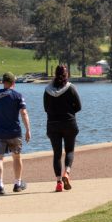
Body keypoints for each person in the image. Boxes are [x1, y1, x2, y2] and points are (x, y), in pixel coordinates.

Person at [0, 72, 31, 195]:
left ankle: (0, 185)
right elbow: (23, 113)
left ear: (3, 82)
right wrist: (28, 129)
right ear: (14, 83)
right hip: (14, 132)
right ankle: (17, 183)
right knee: (17, 157)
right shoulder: (18, 96)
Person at [44, 64, 82, 192]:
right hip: (69, 123)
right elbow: (79, 106)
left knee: (57, 154)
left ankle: (58, 182)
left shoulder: (47, 90)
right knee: (69, 151)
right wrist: (70, 111)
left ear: (55, 74)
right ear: (67, 75)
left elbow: (46, 109)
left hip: (53, 125)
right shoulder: (71, 88)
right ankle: (67, 173)